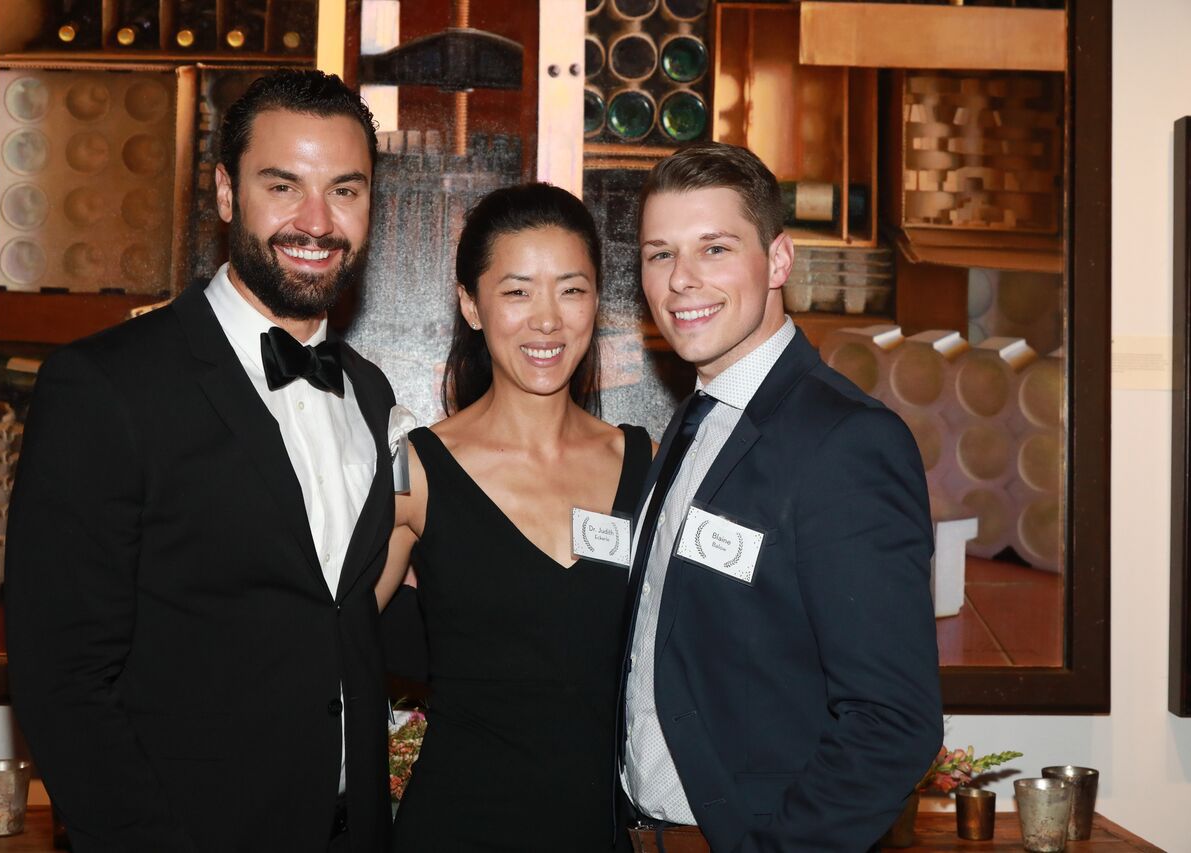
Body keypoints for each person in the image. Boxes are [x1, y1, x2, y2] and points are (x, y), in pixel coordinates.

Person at [6, 70, 395, 852]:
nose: (317, 221)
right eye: (283, 185)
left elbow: (339, 624)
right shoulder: (107, 384)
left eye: (345, 190)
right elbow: (63, 680)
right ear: (225, 193)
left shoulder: (370, 393)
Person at [618, 142, 943, 852]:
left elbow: (893, 720)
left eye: (714, 248)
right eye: (659, 254)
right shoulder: (694, 420)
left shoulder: (846, 441)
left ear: (779, 261)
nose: (681, 281)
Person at [375, 183, 649, 853]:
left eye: (572, 289)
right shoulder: (415, 471)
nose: (548, 321)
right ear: (472, 303)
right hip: (455, 826)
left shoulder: (643, 465)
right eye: (518, 291)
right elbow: (327, 639)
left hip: (598, 830)